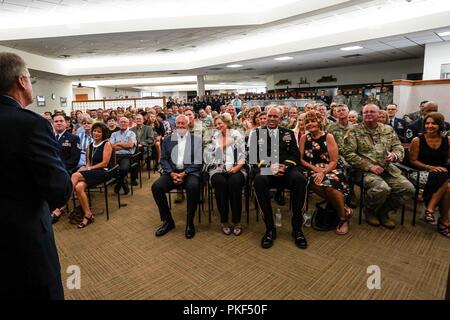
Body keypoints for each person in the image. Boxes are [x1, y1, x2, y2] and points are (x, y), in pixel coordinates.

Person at [0, 52, 72, 299]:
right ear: (21, 81)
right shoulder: (31, 124)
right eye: (30, 78)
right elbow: (59, 190)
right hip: (24, 240)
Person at [343, 104, 415, 229]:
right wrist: (369, 166)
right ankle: (369, 210)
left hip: (387, 168)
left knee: (408, 189)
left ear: (379, 114)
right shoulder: (354, 130)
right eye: (366, 112)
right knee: (382, 188)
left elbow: (398, 146)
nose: (368, 114)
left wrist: (395, 156)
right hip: (363, 171)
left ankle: (383, 211)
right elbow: (348, 154)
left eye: (372, 112)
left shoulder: (388, 129)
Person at [248, 106, 308, 249]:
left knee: (300, 180)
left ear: (280, 119)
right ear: (266, 117)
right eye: (270, 116)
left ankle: (297, 229)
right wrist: (271, 167)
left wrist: (285, 167)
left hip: (286, 169)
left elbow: (295, 155)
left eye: (276, 116)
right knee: (259, 180)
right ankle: (270, 228)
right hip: (266, 170)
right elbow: (253, 157)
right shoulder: (257, 133)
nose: (272, 119)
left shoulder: (287, 133)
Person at [299, 111, 351, 235]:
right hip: (311, 169)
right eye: (307, 122)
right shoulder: (304, 138)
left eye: (313, 121)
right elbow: (300, 159)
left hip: (331, 168)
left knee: (330, 186)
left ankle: (343, 219)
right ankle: (343, 208)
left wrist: (323, 171)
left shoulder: (329, 137)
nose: (310, 124)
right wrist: (315, 169)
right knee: (314, 182)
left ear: (319, 122)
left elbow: (334, 160)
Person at [151, 115, 203, 239]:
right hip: (172, 173)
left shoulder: (196, 139)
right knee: (156, 187)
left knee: (193, 187)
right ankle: (168, 221)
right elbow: (163, 160)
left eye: (182, 123)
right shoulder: (168, 140)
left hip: (190, 173)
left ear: (188, 124)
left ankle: (190, 222)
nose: (180, 126)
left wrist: (184, 173)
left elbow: (198, 161)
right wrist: (171, 173)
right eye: (178, 123)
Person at [204, 113, 247, 236]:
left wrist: (237, 167)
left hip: (237, 167)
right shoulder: (214, 136)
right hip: (218, 168)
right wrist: (224, 145)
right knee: (220, 183)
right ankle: (224, 221)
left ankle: (237, 221)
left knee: (234, 183)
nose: (217, 126)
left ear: (227, 123)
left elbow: (243, 154)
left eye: (220, 123)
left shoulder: (237, 134)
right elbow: (210, 155)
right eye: (216, 124)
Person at [408, 112, 449, 237]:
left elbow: (448, 160)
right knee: (446, 182)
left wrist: (441, 166)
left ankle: (434, 214)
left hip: (442, 172)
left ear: (440, 125)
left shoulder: (447, 140)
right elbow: (412, 161)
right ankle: (442, 220)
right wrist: (430, 167)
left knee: (448, 186)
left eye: (434, 123)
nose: (430, 126)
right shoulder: (417, 140)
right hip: (421, 172)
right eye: (427, 123)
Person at [71, 123, 113, 228]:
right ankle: (88, 214)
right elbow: (89, 162)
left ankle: (60, 206)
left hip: (104, 171)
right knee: (79, 187)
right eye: (94, 131)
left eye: (99, 131)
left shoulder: (106, 144)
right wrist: (86, 168)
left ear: (103, 134)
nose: (96, 133)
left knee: (75, 176)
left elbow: (105, 163)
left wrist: (88, 169)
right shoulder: (89, 146)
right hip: (92, 172)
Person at [51, 114, 81, 223]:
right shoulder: (49, 137)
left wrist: (59, 168)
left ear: (66, 123)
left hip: (66, 169)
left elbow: (74, 159)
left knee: (58, 179)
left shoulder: (73, 138)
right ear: (53, 124)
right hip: (51, 169)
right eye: (56, 121)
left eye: (61, 121)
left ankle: (59, 208)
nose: (58, 123)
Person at [110, 117, 137, 195]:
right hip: (114, 156)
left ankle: (118, 184)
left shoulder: (131, 133)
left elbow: (130, 145)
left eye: (125, 122)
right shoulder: (114, 134)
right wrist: (124, 145)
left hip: (127, 155)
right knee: (111, 170)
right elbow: (112, 146)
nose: (123, 123)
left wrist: (117, 143)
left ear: (128, 123)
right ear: (118, 123)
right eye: (121, 122)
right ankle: (123, 183)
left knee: (123, 169)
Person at [130, 113, 154, 185]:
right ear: (134, 120)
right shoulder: (131, 130)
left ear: (143, 120)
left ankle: (133, 177)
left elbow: (151, 140)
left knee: (135, 156)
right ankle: (132, 176)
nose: (138, 120)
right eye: (137, 119)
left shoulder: (148, 128)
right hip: (133, 148)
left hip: (144, 149)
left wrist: (142, 144)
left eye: (140, 119)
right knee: (133, 156)